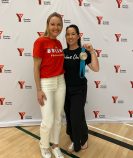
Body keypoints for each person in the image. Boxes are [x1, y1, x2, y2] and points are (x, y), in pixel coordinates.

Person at [33, 12, 66, 158]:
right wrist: (39, 89)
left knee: (58, 117)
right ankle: (44, 146)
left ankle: (55, 145)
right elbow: (36, 68)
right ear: (47, 25)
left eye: (59, 24)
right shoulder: (40, 42)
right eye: (53, 24)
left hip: (61, 82)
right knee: (48, 119)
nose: (56, 27)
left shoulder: (59, 43)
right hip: (46, 83)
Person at [63, 24, 99, 152]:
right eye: (68, 34)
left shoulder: (83, 52)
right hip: (65, 90)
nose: (70, 36)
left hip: (79, 89)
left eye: (73, 34)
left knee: (75, 116)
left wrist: (92, 51)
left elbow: (95, 68)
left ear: (78, 36)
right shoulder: (63, 52)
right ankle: (78, 139)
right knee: (71, 115)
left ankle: (80, 141)